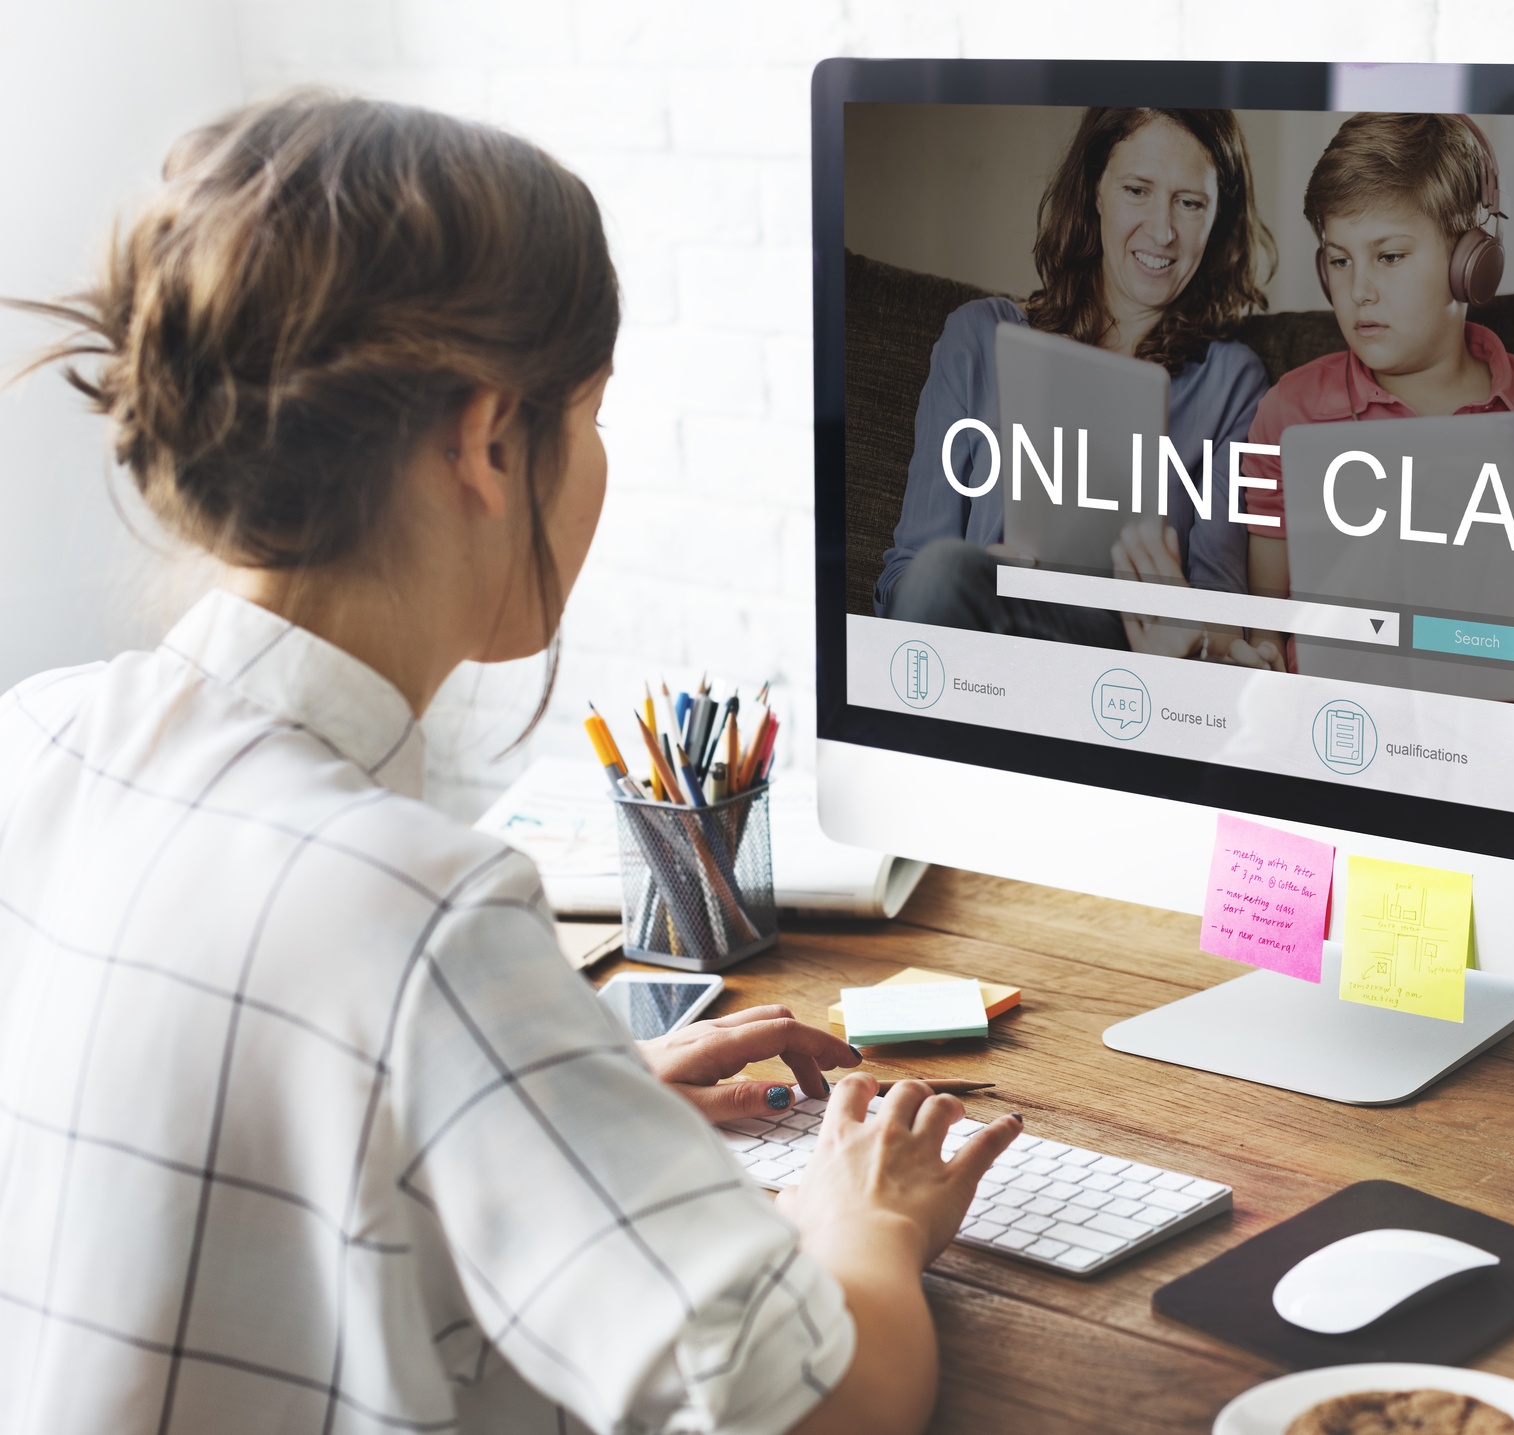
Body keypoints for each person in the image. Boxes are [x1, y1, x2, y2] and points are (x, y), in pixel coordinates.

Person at [0, 94, 1016, 1435]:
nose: (595, 461)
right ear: (487, 442)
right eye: (588, 415)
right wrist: (860, 1218)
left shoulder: (36, 736)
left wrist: (550, 1098)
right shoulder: (423, 910)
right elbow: (827, 1402)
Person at [878, 106, 1282, 668]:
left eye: (1189, 203)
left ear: (1217, 217)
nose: (1163, 232)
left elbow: (1221, 607)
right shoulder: (978, 338)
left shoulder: (1230, 383)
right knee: (947, 572)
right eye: (1137, 190)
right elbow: (907, 572)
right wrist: (980, 576)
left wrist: (1192, 635)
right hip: (976, 631)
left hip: (1123, 660)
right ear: (1095, 189)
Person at [1237, 113, 1514, 666]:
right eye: (1339, 260)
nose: (1358, 291)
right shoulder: (1290, 411)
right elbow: (1267, 622)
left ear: (1469, 264)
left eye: (1390, 256)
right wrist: (1260, 656)